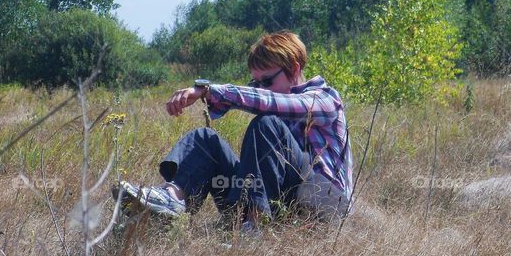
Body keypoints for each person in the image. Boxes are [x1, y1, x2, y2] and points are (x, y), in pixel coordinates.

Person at [113, 31, 353, 230]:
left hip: (322, 204)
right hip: (279, 200)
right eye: (256, 84)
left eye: (267, 81)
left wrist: (208, 91)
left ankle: (252, 229)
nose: (261, 89)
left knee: (266, 123)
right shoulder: (276, 109)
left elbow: (271, 102)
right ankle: (171, 201)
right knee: (204, 139)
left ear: (293, 68)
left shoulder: (325, 99)